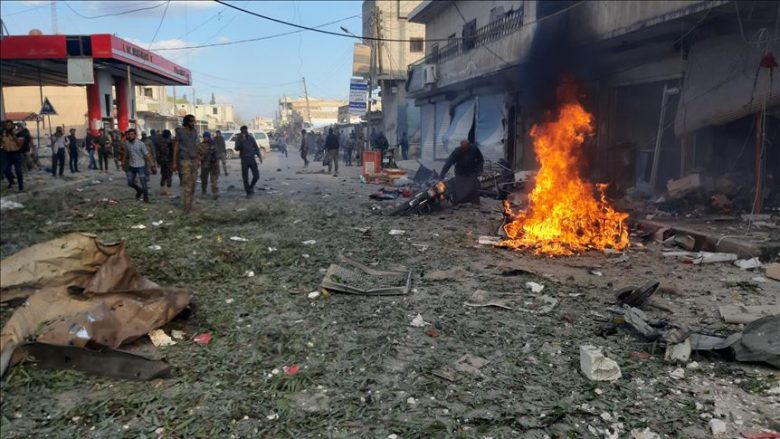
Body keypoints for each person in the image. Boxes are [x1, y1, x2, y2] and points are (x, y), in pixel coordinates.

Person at [438, 139, 484, 206]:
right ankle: (457, 202)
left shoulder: (474, 149)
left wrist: (479, 169)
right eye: (462, 148)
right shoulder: (457, 151)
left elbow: (480, 160)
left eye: (465, 149)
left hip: (472, 171)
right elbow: (448, 163)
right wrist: (442, 175)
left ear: (469, 146)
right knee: (458, 186)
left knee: (474, 185)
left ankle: (475, 201)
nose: (463, 150)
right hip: (460, 171)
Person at [121, 128, 156, 203]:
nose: (130, 136)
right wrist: (123, 161)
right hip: (131, 166)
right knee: (130, 182)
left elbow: (147, 154)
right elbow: (126, 153)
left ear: (135, 135)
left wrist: (152, 164)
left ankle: (146, 199)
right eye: (129, 134)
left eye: (132, 134)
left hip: (140, 166)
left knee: (143, 183)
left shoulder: (141, 144)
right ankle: (139, 191)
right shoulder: (127, 143)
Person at [173, 114, 199, 213]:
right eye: (192, 121)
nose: (194, 123)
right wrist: (174, 163)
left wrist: (198, 159)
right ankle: (187, 208)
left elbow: (195, 145)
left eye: (194, 121)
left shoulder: (195, 132)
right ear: (187, 122)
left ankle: (190, 205)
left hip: (194, 160)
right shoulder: (180, 131)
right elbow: (176, 146)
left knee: (193, 184)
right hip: (184, 161)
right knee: (187, 184)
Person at [234, 125, 261, 197]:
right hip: (244, 159)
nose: (245, 132)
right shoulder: (238, 139)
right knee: (245, 178)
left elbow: (256, 147)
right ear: (241, 131)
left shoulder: (251, 138)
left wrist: (259, 156)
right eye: (243, 131)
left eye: (245, 130)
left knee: (256, 176)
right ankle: (248, 192)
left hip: (252, 158)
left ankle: (251, 187)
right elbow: (236, 148)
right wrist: (241, 141)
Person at [1, 120, 24, 191]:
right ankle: (11, 182)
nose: (8, 126)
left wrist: (13, 136)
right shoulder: (3, 134)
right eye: (7, 125)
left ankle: (21, 187)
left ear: (12, 126)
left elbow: (20, 144)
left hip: (16, 154)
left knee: (18, 171)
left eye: (9, 125)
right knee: (6, 170)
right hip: (7, 154)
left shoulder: (18, 133)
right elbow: (2, 143)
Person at [198, 131, 220, 200]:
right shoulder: (200, 145)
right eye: (204, 137)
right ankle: (204, 192)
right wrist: (200, 157)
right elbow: (197, 154)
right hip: (205, 166)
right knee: (204, 180)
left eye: (207, 137)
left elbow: (217, 154)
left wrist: (217, 165)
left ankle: (215, 193)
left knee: (214, 180)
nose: (205, 138)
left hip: (213, 165)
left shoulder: (213, 144)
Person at [157, 129, 174, 195]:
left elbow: (158, 153)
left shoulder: (160, 142)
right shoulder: (170, 142)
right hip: (169, 161)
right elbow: (173, 152)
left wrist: (158, 161)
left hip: (162, 161)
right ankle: (168, 191)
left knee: (163, 175)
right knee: (169, 175)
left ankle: (162, 190)